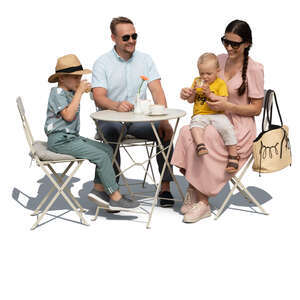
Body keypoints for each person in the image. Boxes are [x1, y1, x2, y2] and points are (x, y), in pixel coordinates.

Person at [171, 20, 264, 223]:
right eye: (225, 41)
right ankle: (193, 188)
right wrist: (190, 93)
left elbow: (256, 109)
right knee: (187, 131)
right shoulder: (218, 60)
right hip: (212, 118)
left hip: (239, 126)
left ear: (247, 44)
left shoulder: (255, 69)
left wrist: (228, 106)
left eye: (234, 44)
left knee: (208, 136)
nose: (228, 47)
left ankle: (203, 202)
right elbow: (203, 88)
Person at [92, 16, 175, 207]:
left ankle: (165, 188)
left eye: (134, 36)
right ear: (113, 38)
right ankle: (112, 190)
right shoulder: (102, 63)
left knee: (165, 133)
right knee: (111, 133)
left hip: (139, 120)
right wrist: (116, 105)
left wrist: (164, 120)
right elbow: (98, 96)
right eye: (126, 37)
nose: (131, 41)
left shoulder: (146, 60)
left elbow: (157, 91)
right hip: (111, 118)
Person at [45, 54, 140, 211]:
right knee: (101, 156)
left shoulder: (69, 92)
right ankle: (115, 196)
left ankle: (98, 190)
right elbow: (68, 116)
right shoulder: (56, 93)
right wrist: (79, 92)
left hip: (71, 138)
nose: (79, 81)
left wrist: (84, 91)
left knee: (107, 149)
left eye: (80, 77)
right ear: (61, 79)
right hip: (60, 140)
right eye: (75, 78)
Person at [184, 52, 238, 174]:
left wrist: (209, 94)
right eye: (202, 73)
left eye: (209, 73)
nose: (205, 77)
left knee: (227, 128)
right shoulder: (197, 81)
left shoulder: (220, 83)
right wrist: (190, 93)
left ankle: (233, 154)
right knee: (195, 126)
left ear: (217, 71)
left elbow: (224, 100)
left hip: (217, 114)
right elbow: (190, 100)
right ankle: (200, 145)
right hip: (200, 113)